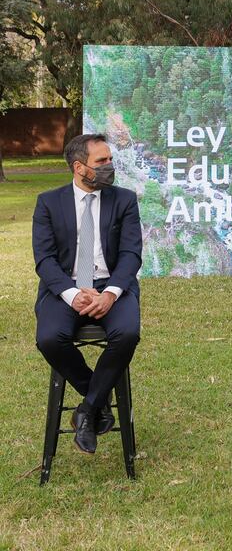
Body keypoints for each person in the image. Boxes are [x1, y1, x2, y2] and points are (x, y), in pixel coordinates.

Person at [33, 133, 142, 455]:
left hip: (111, 286)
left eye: (110, 159)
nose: (110, 165)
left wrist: (109, 293)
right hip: (64, 289)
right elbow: (44, 258)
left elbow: (131, 254)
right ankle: (99, 403)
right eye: (102, 161)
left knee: (127, 333)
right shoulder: (48, 202)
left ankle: (87, 408)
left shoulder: (124, 200)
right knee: (50, 339)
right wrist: (70, 293)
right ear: (80, 167)